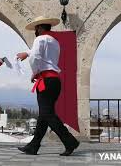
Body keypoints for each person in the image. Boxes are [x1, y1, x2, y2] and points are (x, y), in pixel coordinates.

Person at [16, 16, 79, 156]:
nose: (35, 31)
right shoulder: (54, 41)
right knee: (44, 115)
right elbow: (42, 55)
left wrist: (35, 72)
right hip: (55, 81)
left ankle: (70, 141)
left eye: (35, 29)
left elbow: (36, 57)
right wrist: (27, 52)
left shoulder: (39, 39)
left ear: (39, 27)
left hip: (45, 81)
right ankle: (33, 146)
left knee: (48, 114)